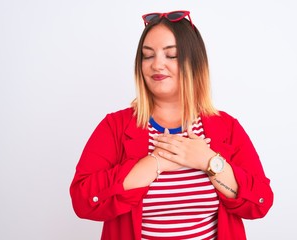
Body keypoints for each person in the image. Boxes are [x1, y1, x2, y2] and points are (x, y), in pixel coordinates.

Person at [70, 10, 274, 240]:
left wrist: (208, 161)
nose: (157, 64)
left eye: (172, 55)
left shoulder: (226, 127)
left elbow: (260, 203)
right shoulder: (114, 127)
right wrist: (154, 163)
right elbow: (83, 202)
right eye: (148, 56)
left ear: (195, 64)